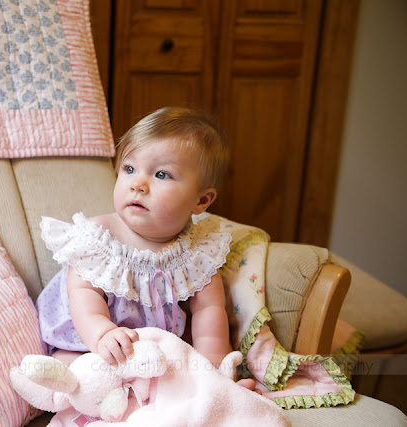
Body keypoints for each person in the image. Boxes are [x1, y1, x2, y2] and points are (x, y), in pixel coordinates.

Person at [37, 106, 255, 389]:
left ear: (201, 201)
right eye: (129, 169)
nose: (137, 184)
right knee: (78, 371)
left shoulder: (197, 253)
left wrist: (213, 372)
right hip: (89, 340)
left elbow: (208, 312)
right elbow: (82, 291)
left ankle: (188, 400)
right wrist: (101, 334)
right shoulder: (98, 239)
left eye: (162, 175)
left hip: (156, 353)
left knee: (178, 379)